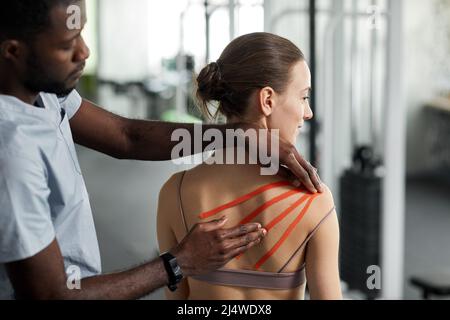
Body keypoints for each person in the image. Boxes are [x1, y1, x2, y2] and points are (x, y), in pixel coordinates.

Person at [0, 1, 322, 300]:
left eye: (82, 33)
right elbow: (52, 295)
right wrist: (178, 261)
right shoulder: (12, 151)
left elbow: (126, 136)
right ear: (13, 51)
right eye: (68, 44)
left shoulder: (45, 91)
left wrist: (237, 134)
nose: (84, 51)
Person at [157, 32, 342, 300]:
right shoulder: (314, 199)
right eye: (303, 97)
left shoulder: (174, 192)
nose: (308, 112)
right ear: (267, 100)